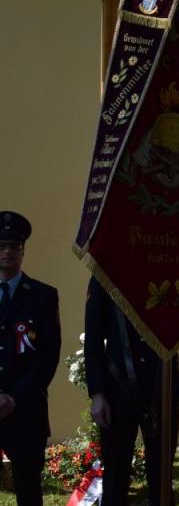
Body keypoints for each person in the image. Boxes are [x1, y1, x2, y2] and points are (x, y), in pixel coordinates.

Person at [85, 275, 179, 506]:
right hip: (117, 389)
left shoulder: (169, 269)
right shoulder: (104, 275)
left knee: (162, 476)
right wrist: (98, 394)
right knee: (116, 476)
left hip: (162, 384)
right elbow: (93, 339)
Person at [0, 211, 61, 506]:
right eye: (1, 245)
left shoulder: (43, 296)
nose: (7, 252)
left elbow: (47, 357)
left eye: (14, 245)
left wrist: (13, 398)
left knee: (28, 490)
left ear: (23, 250)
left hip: (26, 411)